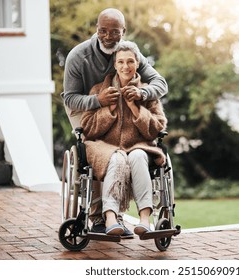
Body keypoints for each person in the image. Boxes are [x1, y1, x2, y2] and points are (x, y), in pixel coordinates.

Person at [61, 8, 168, 237]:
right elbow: (70, 98)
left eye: (115, 32)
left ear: (124, 32)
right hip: (84, 103)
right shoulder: (78, 57)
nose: (109, 36)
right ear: (97, 30)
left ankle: (138, 218)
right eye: (103, 31)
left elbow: (160, 85)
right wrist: (99, 101)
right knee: (100, 151)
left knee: (136, 156)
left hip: (131, 129)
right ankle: (102, 217)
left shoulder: (128, 53)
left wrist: (141, 96)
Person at [80, 41, 167, 236]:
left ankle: (145, 219)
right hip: (104, 147)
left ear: (137, 63)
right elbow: (87, 129)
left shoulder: (147, 92)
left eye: (130, 61)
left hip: (139, 145)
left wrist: (136, 107)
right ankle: (110, 218)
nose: (125, 66)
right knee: (117, 158)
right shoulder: (98, 91)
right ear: (115, 65)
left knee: (136, 156)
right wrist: (108, 109)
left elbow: (157, 129)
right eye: (120, 62)